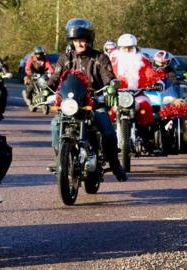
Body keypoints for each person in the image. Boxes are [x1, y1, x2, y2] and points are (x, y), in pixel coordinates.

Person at [47, 18, 127, 182]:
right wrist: (45, 87)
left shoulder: (100, 58)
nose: (80, 44)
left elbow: (109, 77)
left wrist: (112, 86)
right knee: (55, 125)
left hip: (94, 102)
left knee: (109, 132)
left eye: (83, 40)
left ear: (89, 40)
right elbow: (55, 77)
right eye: (76, 41)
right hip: (70, 104)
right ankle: (60, 158)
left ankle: (115, 163)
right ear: (72, 41)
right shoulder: (65, 58)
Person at [110, 33, 165, 153]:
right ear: (119, 48)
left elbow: (150, 73)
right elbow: (105, 74)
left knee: (146, 106)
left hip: (137, 94)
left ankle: (146, 139)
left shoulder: (143, 60)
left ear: (135, 47)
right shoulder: (112, 61)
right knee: (108, 111)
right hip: (117, 95)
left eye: (130, 48)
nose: (127, 50)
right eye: (124, 48)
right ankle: (104, 141)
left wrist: (157, 82)